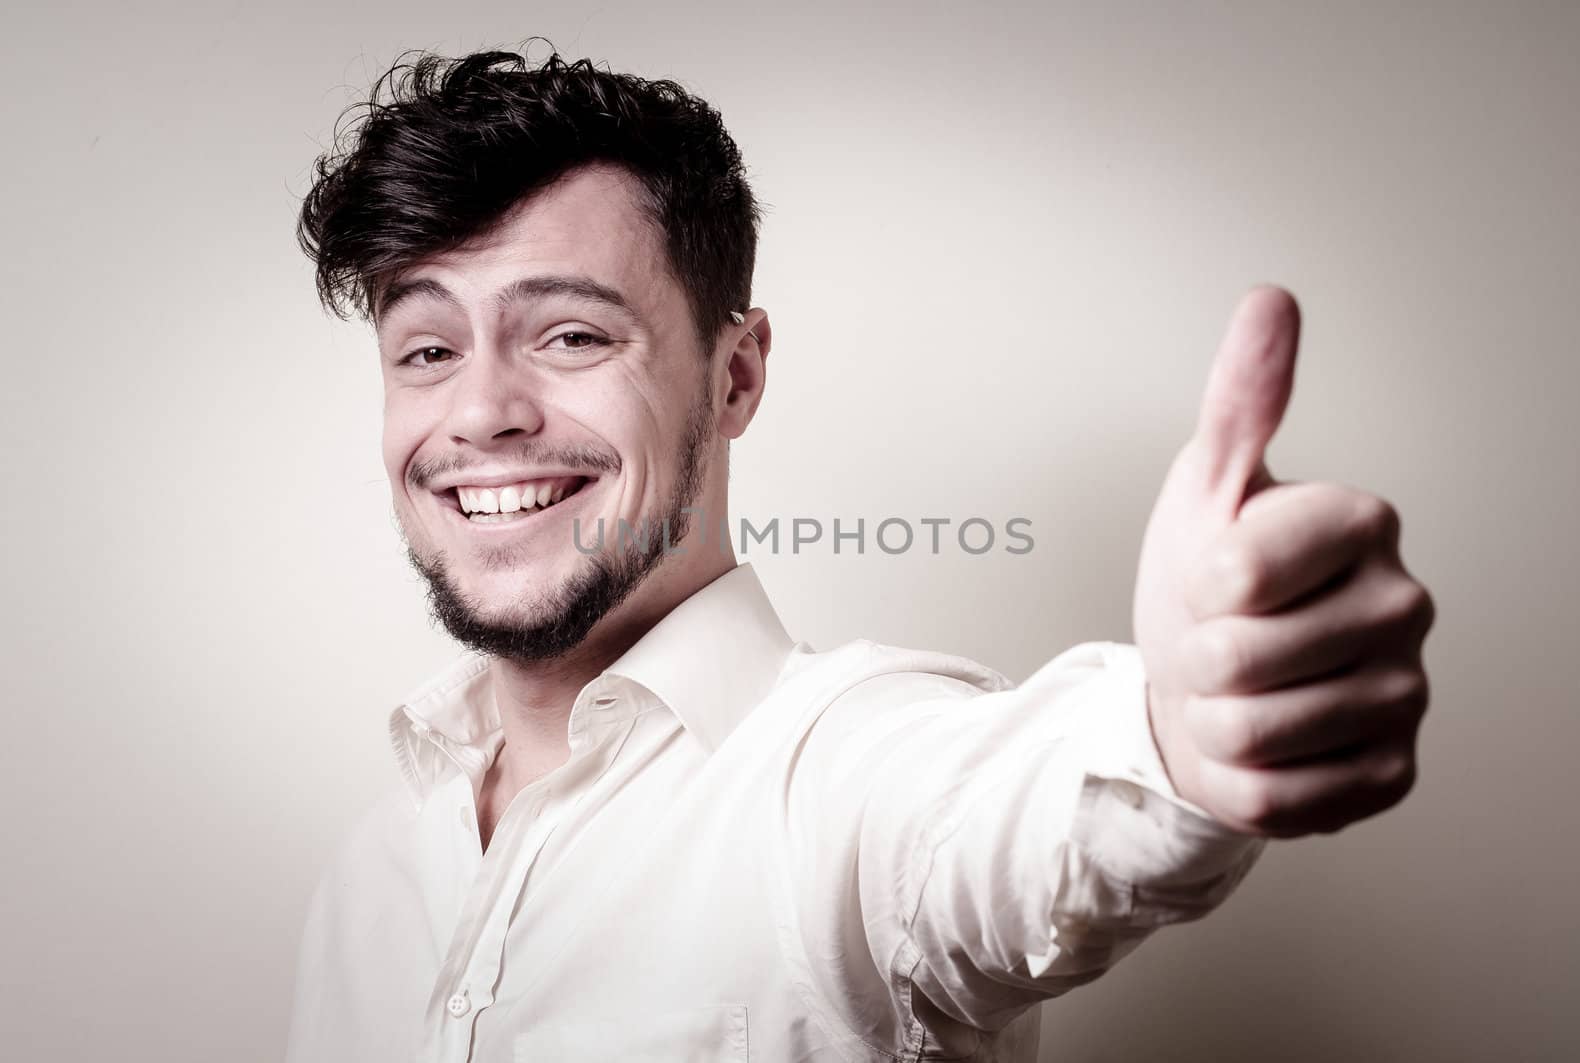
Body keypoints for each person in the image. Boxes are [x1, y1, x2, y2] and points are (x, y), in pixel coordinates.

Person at [284, 44, 1435, 1063]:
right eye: (426, 349)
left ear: (735, 375)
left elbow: (1014, 821)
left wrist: (1179, 743)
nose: (480, 411)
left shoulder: (848, 781)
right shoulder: (372, 873)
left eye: (572, 334)